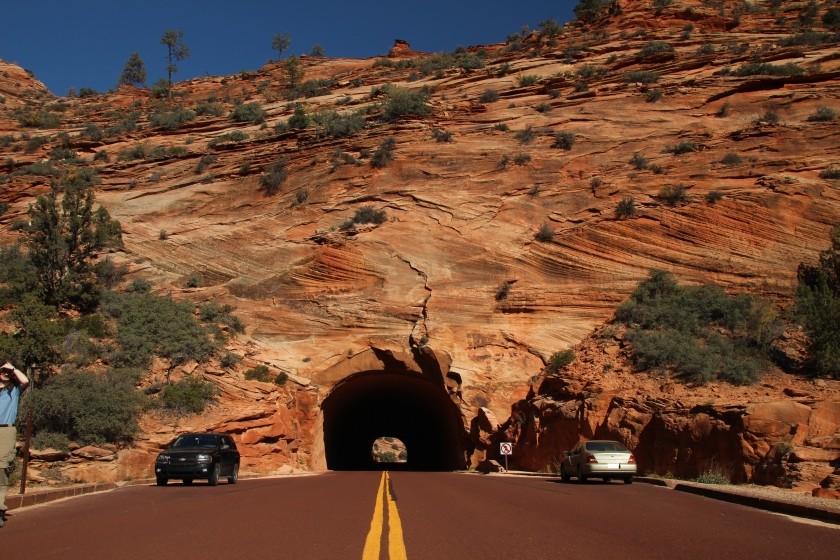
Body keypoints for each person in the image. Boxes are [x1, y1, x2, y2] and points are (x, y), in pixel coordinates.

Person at [0, 361, 29, 528]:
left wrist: (13, 369)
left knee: (1, 469)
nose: (5, 373)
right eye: (2, 370)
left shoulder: (14, 390)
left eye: (7, 371)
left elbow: (25, 381)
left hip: (5, 431)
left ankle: (0, 508)